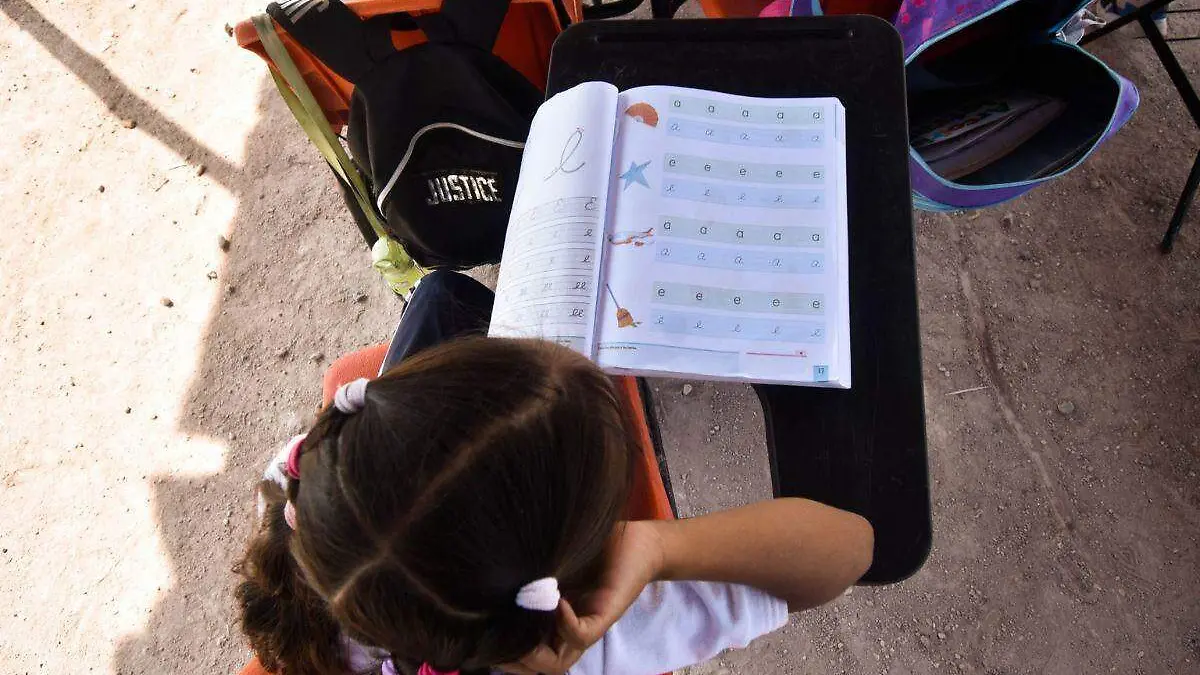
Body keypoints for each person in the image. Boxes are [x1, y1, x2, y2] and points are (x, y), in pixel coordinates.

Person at [235, 271, 874, 675]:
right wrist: (654, 546)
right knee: (442, 297)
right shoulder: (582, 637)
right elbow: (854, 547)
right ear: (561, 574)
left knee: (440, 296)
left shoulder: (300, 495)